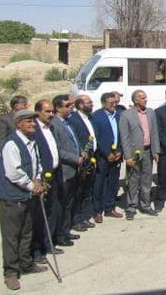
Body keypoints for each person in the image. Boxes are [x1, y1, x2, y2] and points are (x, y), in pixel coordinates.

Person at [0, 109, 48, 291]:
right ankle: (10, 272)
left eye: (33, 121)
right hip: (12, 197)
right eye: (28, 121)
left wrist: (38, 179)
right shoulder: (12, 144)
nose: (33, 124)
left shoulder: (32, 141)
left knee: (27, 232)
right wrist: (32, 186)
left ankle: (26, 264)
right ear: (18, 124)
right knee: (11, 236)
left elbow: (37, 164)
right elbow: (13, 173)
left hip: (28, 195)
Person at [119, 90, 161, 220]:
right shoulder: (126, 115)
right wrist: (128, 156)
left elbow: (154, 133)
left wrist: (156, 151)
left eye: (145, 97)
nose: (145, 100)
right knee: (133, 180)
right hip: (134, 153)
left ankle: (145, 205)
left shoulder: (150, 112)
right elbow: (124, 137)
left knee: (146, 180)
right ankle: (131, 207)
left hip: (148, 152)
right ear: (136, 100)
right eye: (143, 98)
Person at [31, 100, 61, 263]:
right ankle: (37, 250)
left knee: (51, 210)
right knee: (38, 216)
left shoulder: (51, 128)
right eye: (47, 111)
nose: (51, 114)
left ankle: (48, 243)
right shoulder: (34, 130)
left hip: (54, 174)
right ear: (38, 112)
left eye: (52, 112)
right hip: (41, 178)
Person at [51, 94, 83, 247]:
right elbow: (57, 149)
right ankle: (59, 235)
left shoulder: (68, 122)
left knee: (70, 202)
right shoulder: (54, 124)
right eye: (68, 105)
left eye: (71, 105)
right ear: (58, 108)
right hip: (65, 169)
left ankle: (66, 230)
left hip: (74, 168)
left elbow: (74, 142)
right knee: (61, 204)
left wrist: (81, 152)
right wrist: (75, 158)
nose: (71, 107)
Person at [91, 92, 123, 223]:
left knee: (113, 183)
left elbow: (122, 135)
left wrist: (120, 151)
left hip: (116, 155)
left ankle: (110, 208)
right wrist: (106, 153)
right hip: (103, 157)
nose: (114, 105)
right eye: (111, 103)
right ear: (104, 103)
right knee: (99, 185)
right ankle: (97, 211)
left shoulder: (118, 115)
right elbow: (96, 138)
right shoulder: (96, 117)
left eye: (115, 102)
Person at [68, 95, 97, 232]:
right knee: (78, 192)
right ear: (80, 105)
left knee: (86, 191)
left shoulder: (90, 117)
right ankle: (76, 219)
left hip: (91, 158)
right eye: (88, 102)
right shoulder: (73, 120)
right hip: (81, 160)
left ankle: (83, 217)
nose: (92, 104)